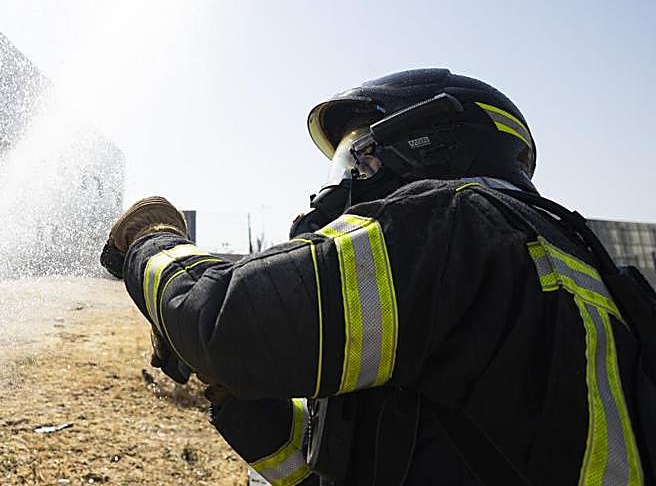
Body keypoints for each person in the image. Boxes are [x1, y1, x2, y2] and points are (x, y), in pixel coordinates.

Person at [100, 68, 652, 485]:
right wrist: (236, 396)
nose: (335, 187)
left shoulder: (457, 224)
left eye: (357, 160)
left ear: (430, 143)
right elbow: (327, 469)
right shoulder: (536, 260)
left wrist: (152, 240)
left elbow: (221, 320)